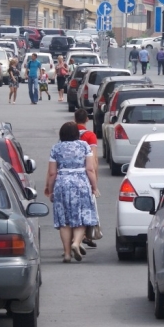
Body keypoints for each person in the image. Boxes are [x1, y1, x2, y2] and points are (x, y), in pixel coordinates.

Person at [46, 122, 99, 262]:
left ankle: (67, 253)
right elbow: (90, 169)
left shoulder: (56, 148)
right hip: (81, 183)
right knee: (81, 216)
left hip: (62, 184)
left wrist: (50, 191)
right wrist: (94, 186)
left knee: (64, 220)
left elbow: (52, 173)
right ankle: (76, 243)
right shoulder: (84, 146)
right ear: (77, 133)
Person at [74, 109, 100, 249]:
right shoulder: (90, 136)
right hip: (85, 175)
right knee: (87, 207)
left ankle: (76, 237)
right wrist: (95, 179)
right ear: (87, 120)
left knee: (74, 206)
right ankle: (86, 236)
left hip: (69, 175)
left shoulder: (68, 133)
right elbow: (94, 159)